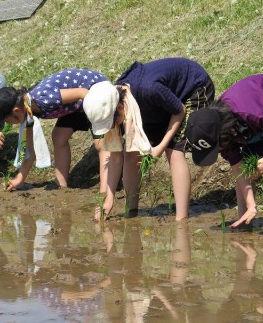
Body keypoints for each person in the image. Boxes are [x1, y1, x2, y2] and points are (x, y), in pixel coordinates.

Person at [85, 57, 215, 221]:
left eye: (110, 123)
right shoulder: (116, 101)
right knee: (131, 153)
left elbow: (179, 110)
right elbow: (115, 155)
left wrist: (160, 146)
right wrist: (109, 198)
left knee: (174, 151)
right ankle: (130, 211)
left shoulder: (149, 89)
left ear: (119, 108)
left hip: (192, 88)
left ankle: (181, 219)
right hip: (158, 104)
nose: (111, 128)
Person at [185, 74, 263, 230]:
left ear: (223, 133)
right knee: (246, 165)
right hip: (261, 123)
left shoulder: (250, 111)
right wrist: (251, 204)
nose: (219, 151)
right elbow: (238, 168)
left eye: (216, 148)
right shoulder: (219, 129)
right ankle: (244, 222)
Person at [0, 68, 110, 190]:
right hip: (75, 105)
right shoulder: (27, 111)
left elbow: (82, 92)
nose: (9, 124)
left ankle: (105, 191)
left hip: (95, 91)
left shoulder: (44, 98)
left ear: (16, 111)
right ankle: (61, 185)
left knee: (101, 144)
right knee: (58, 136)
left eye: (7, 120)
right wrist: (19, 179)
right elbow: (30, 151)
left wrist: (99, 119)